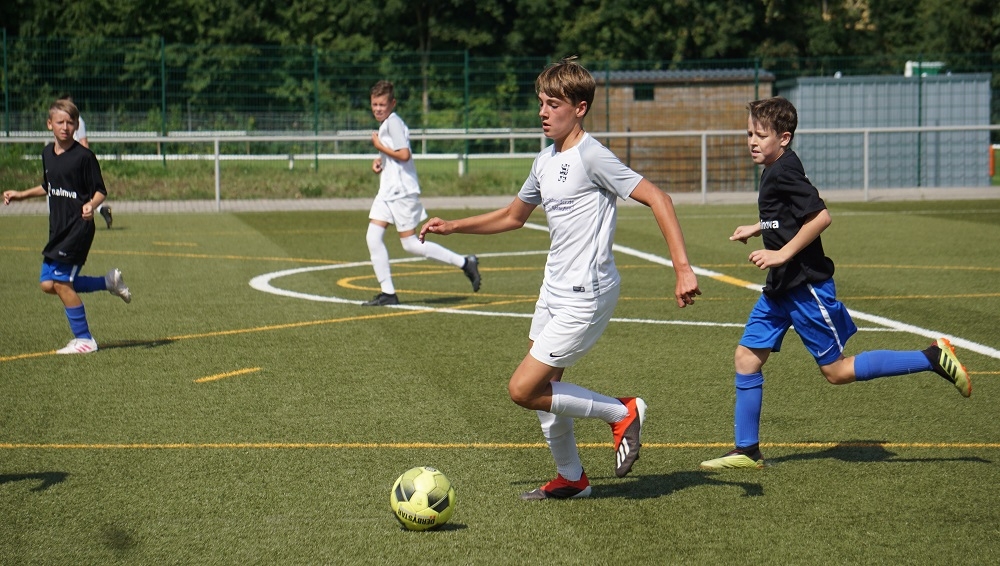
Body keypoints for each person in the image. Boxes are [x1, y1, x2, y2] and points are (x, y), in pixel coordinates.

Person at [419, 57, 701, 499]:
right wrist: (454, 226)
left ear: (580, 108)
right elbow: (513, 216)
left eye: (553, 104)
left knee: (523, 388)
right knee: (546, 390)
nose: (543, 113)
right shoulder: (545, 160)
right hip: (552, 291)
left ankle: (622, 412)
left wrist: (682, 269)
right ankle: (572, 477)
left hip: (586, 295)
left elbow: (659, 198)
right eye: (541, 103)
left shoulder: (593, 156)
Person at [698, 96, 971, 471]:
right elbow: (787, 216)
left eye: (761, 135)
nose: (752, 141)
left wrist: (780, 254)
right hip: (781, 288)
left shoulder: (785, 171)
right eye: (749, 134)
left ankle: (932, 358)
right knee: (746, 357)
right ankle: (747, 450)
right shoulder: (774, 168)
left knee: (837, 371)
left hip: (805, 287)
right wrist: (758, 227)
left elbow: (820, 217)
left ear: (784, 138)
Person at [3, 98, 131, 354]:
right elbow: (49, 185)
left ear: (76, 126)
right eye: (60, 122)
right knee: (48, 284)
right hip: (58, 229)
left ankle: (85, 339)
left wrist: (91, 205)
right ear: (49, 124)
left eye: (70, 122)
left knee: (61, 283)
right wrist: (20, 195)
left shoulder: (84, 157)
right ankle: (108, 282)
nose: (65, 127)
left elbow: (100, 191)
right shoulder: (47, 154)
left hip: (78, 229)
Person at [362, 80, 480, 306]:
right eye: (374, 104)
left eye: (382, 104)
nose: (377, 108)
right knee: (373, 237)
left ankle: (465, 263)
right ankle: (388, 293)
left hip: (401, 192)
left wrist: (379, 147)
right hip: (387, 192)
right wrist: (381, 160)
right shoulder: (388, 124)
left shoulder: (393, 122)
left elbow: (404, 154)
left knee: (410, 244)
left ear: (392, 103)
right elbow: (395, 155)